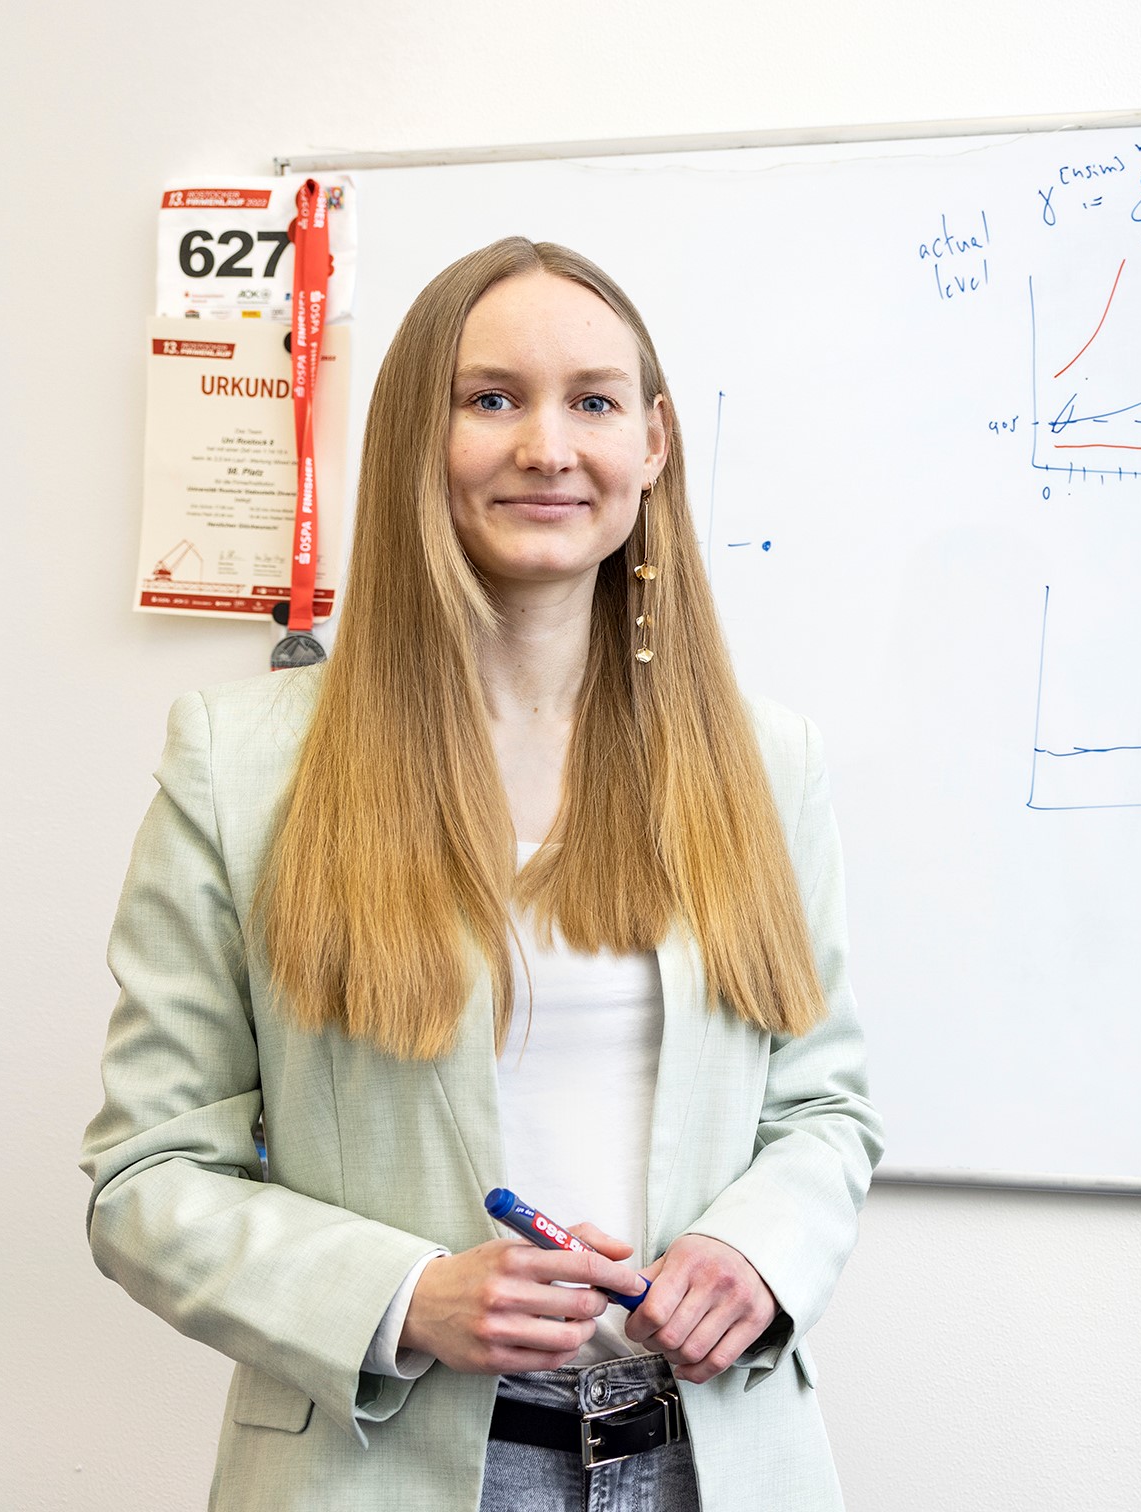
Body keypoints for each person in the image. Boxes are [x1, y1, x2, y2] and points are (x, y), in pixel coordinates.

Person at [81, 236, 884, 1512]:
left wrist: (755, 1250)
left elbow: (823, 1106)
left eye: (593, 403)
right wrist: (406, 1298)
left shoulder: (765, 761)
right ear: (419, 436)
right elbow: (149, 1175)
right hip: (385, 1469)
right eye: (492, 398)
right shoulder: (239, 765)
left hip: (712, 1462)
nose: (547, 448)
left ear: (653, 444)